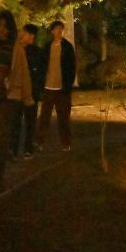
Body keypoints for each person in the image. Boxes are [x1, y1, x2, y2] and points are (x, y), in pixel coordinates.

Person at [0, 9, 32, 192]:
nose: (2, 30)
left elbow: (23, 73)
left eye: (6, 27)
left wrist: (27, 98)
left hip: (7, 98)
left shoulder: (16, 49)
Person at [35, 19, 76, 152]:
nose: (59, 31)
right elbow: (42, 65)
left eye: (61, 29)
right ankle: (40, 141)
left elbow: (71, 67)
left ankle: (66, 143)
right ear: (52, 31)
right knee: (44, 117)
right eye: (57, 29)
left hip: (62, 88)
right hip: (48, 87)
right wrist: (41, 81)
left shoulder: (67, 47)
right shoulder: (47, 47)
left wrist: (68, 85)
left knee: (63, 118)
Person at [10, 23, 45, 159]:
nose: (30, 38)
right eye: (27, 34)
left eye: (31, 35)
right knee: (15, 121)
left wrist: (38, 89)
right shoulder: (15, 49)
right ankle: (13, 149)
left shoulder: (36, 52)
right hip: (16, 90)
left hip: (32, 91)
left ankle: (28, 148)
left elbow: (41, 72)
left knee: (30, 121)